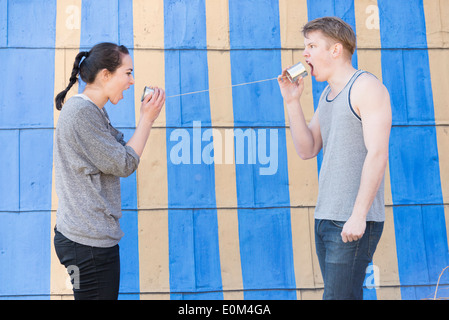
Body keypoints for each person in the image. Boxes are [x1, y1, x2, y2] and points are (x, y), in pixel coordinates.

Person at [278, 17, 391, 299]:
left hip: (351, 220)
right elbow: (307, 149)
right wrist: (292, 102)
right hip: (326, 217)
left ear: (336, 50)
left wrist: (358, 215)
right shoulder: (327, 95)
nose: (305, 54)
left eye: (312, 46)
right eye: (305, 47)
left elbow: (378, 153)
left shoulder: (366, 87)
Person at [53, 42, 165, 300]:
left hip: (87, 240)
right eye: (127, 73)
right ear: (105, 74)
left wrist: (145, 118)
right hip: (87, 244)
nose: (132, 81)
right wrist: (147, 119)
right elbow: (124, 162)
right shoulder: (82, 113)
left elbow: (121, 151)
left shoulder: (93, 110)